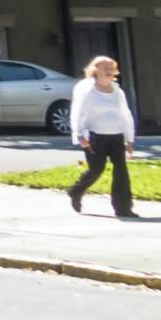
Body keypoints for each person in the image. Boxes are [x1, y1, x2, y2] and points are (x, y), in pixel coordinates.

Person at [65, 54, 137, 217]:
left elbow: (125, 115)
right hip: (95, 136)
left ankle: (123, 208)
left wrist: (129, 139)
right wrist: (79, 134)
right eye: (106, 68)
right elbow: (78, 112)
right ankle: (76, 191)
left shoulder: (117, 90)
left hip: (116, 135)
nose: (110, 71)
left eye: (112, 69)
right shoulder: (86, 89)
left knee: (121, 170)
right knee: (97, 169)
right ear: (95, 70)